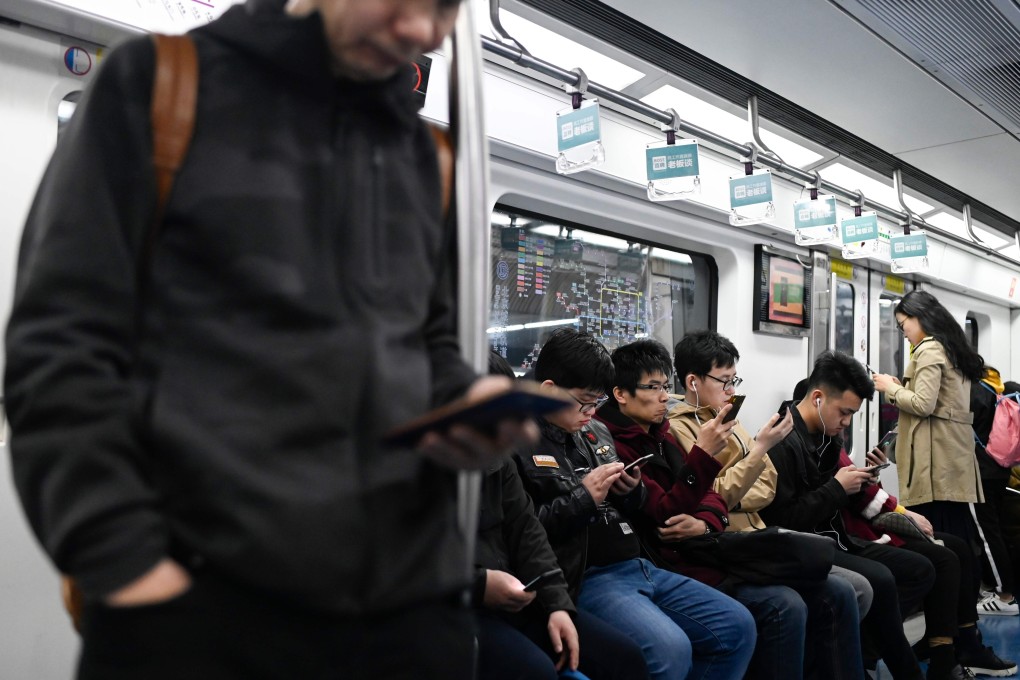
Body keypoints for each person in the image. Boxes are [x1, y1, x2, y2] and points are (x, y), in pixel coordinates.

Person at [4, 2, 536, 678]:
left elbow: (425, 341)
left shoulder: (421, 157)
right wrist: (123, 562)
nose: (420, 30)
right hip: (205, 606)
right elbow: (61, 346)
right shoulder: (164, 89)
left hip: (404, 607)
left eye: (443, 6)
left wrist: (464, 396)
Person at [600, 337, 864, 680]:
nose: (665, 395)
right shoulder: (671, 430)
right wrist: (725, 462)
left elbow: (745, 488)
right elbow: (670, 512)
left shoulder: (692, 428)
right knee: (788, 603)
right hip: (702, 551)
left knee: (842, 590)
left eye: (666, 386)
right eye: (654, 387)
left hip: (724, 535)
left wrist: (709, 518)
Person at [513, 328, 756, 680]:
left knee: (738, 626)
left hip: (638, 560)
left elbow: (658, 507)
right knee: (671, 649)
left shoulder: (596, 432)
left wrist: (633, 492)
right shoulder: (517, 442)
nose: (591, 413)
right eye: (584, 402)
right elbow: (523, 531)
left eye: (596, 403)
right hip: (588, 573)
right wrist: (583, 498)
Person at [763, 351, 1015, 680]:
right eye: (844, 413)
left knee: (934, 561)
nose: (846, 423)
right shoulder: (782, 442)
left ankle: (922, 654)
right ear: (817, 397)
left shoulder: (826, 437)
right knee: (890, 577)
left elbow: (837, 498)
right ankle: (881, 657)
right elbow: (785, 518)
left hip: (836, 534)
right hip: (811, 543)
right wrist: (840, 489)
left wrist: (861, 481)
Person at [475, 352, 648, 680]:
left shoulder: (499, 456)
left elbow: (526, 530)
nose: (664, 396)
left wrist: (557, 604)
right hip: (463, 602)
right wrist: (478, 584)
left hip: (529, 589)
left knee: (625, 658)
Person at [871, 290, 984, 545]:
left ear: (919, 317)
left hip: (935, 461)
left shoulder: (929, 349)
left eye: (903, 325)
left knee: (937, 534)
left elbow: (923, 404)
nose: (904, 332)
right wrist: (900, 389)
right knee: (957, 529)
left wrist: (890, 388)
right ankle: (965, 584)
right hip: (949, 455)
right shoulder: (950, 347)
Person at [970, 366, 1018, 615]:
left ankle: (1004, 596)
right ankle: (1003, 587)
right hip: (1000, 469)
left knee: (987, 534)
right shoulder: (998, 391)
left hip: (981, 471)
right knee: (996, 530)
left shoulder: (973, 393)